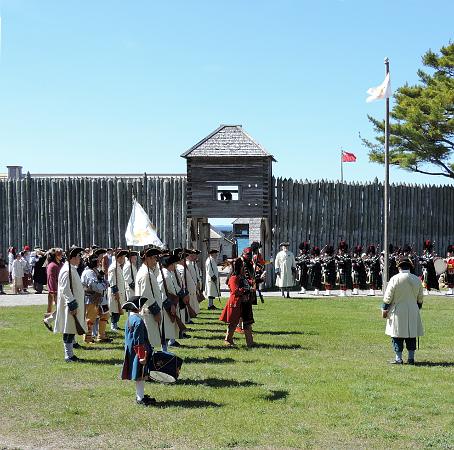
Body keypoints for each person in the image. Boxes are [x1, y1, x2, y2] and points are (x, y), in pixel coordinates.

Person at [381, 256, 424, 365]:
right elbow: (420, 298)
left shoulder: (394, 279)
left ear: (399, 267)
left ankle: (398, 359)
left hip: (398, 310)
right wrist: (416, 307)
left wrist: (384, 308)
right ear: (410, 267)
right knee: (411, 335)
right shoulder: (417, 279)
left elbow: (388, 297)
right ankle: (411, 358)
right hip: (413, 309)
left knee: (397, 335)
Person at [120, 295, 156, 406]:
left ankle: (140, 395)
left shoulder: (130, 319)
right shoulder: (138, 321)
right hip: (139, 352)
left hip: (132, 351)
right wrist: (141, 356)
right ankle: (140, 398)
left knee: (139, 375)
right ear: (138, 308)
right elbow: (139, 340)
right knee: (140, 376)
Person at [54, 247, 87, 362]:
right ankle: (68, 356)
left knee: (71, 329)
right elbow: (65, 289)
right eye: (78, 257)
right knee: (68, 329)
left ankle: (70, 354)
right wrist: (72, 304)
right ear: (72, 257)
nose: (80, 259)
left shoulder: (71, 268)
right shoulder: (66, 270)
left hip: (74, 305)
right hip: (70, 306)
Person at [219, 258, 254, 347]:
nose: (243, 267)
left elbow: (248, 283)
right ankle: (228, 340)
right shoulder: (233, 278)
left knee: (247, 323)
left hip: (245, 303)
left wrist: (254, 282)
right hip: (236, 303)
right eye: (242, 265)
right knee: (233, 323)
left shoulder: (242, 277)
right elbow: (235, 291)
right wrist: (246, 289)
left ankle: (250, 343)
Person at [135, 247, 163, 351]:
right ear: (148, 259)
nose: (156, 261)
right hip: (149, 312)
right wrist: (156, 312)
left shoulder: (147, 271)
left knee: (150, 342)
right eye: (154, 258)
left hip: (148, 311)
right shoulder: (146, 274)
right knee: (148, 342)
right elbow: (146, 295)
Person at [81, 251, 111, 343]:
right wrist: (105, 285)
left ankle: (101, 336)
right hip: (92, 299)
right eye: (96, 261)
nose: (98, 263)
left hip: (101, 299)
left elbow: (102, 281)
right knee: (90, 319)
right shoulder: (88, 272)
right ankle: (88, 338)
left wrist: (104, 282)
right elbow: (95, 286)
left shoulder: (95, 270)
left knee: (105, 315)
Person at [108, 249, 128, 331]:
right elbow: (112, 281)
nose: (123, 259)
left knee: (118, 308)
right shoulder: (113, 267)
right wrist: (115, 292)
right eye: (122, 258)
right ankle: (113, 324)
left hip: (119, 291)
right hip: (115, 292)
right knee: (115, 309)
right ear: (118, 258)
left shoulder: (118, 266)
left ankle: (116, 324)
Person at [43, 248, 63, 331]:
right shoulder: (52, 266)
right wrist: (54, 292)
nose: (62, 255)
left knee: (62, 308)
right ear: (55, 256)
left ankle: (48, 319)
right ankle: (48, 320)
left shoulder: (60, 264)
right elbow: (51, 280)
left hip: (61, 290)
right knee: (62, 308)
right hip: (56, 291)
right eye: (60, 254)